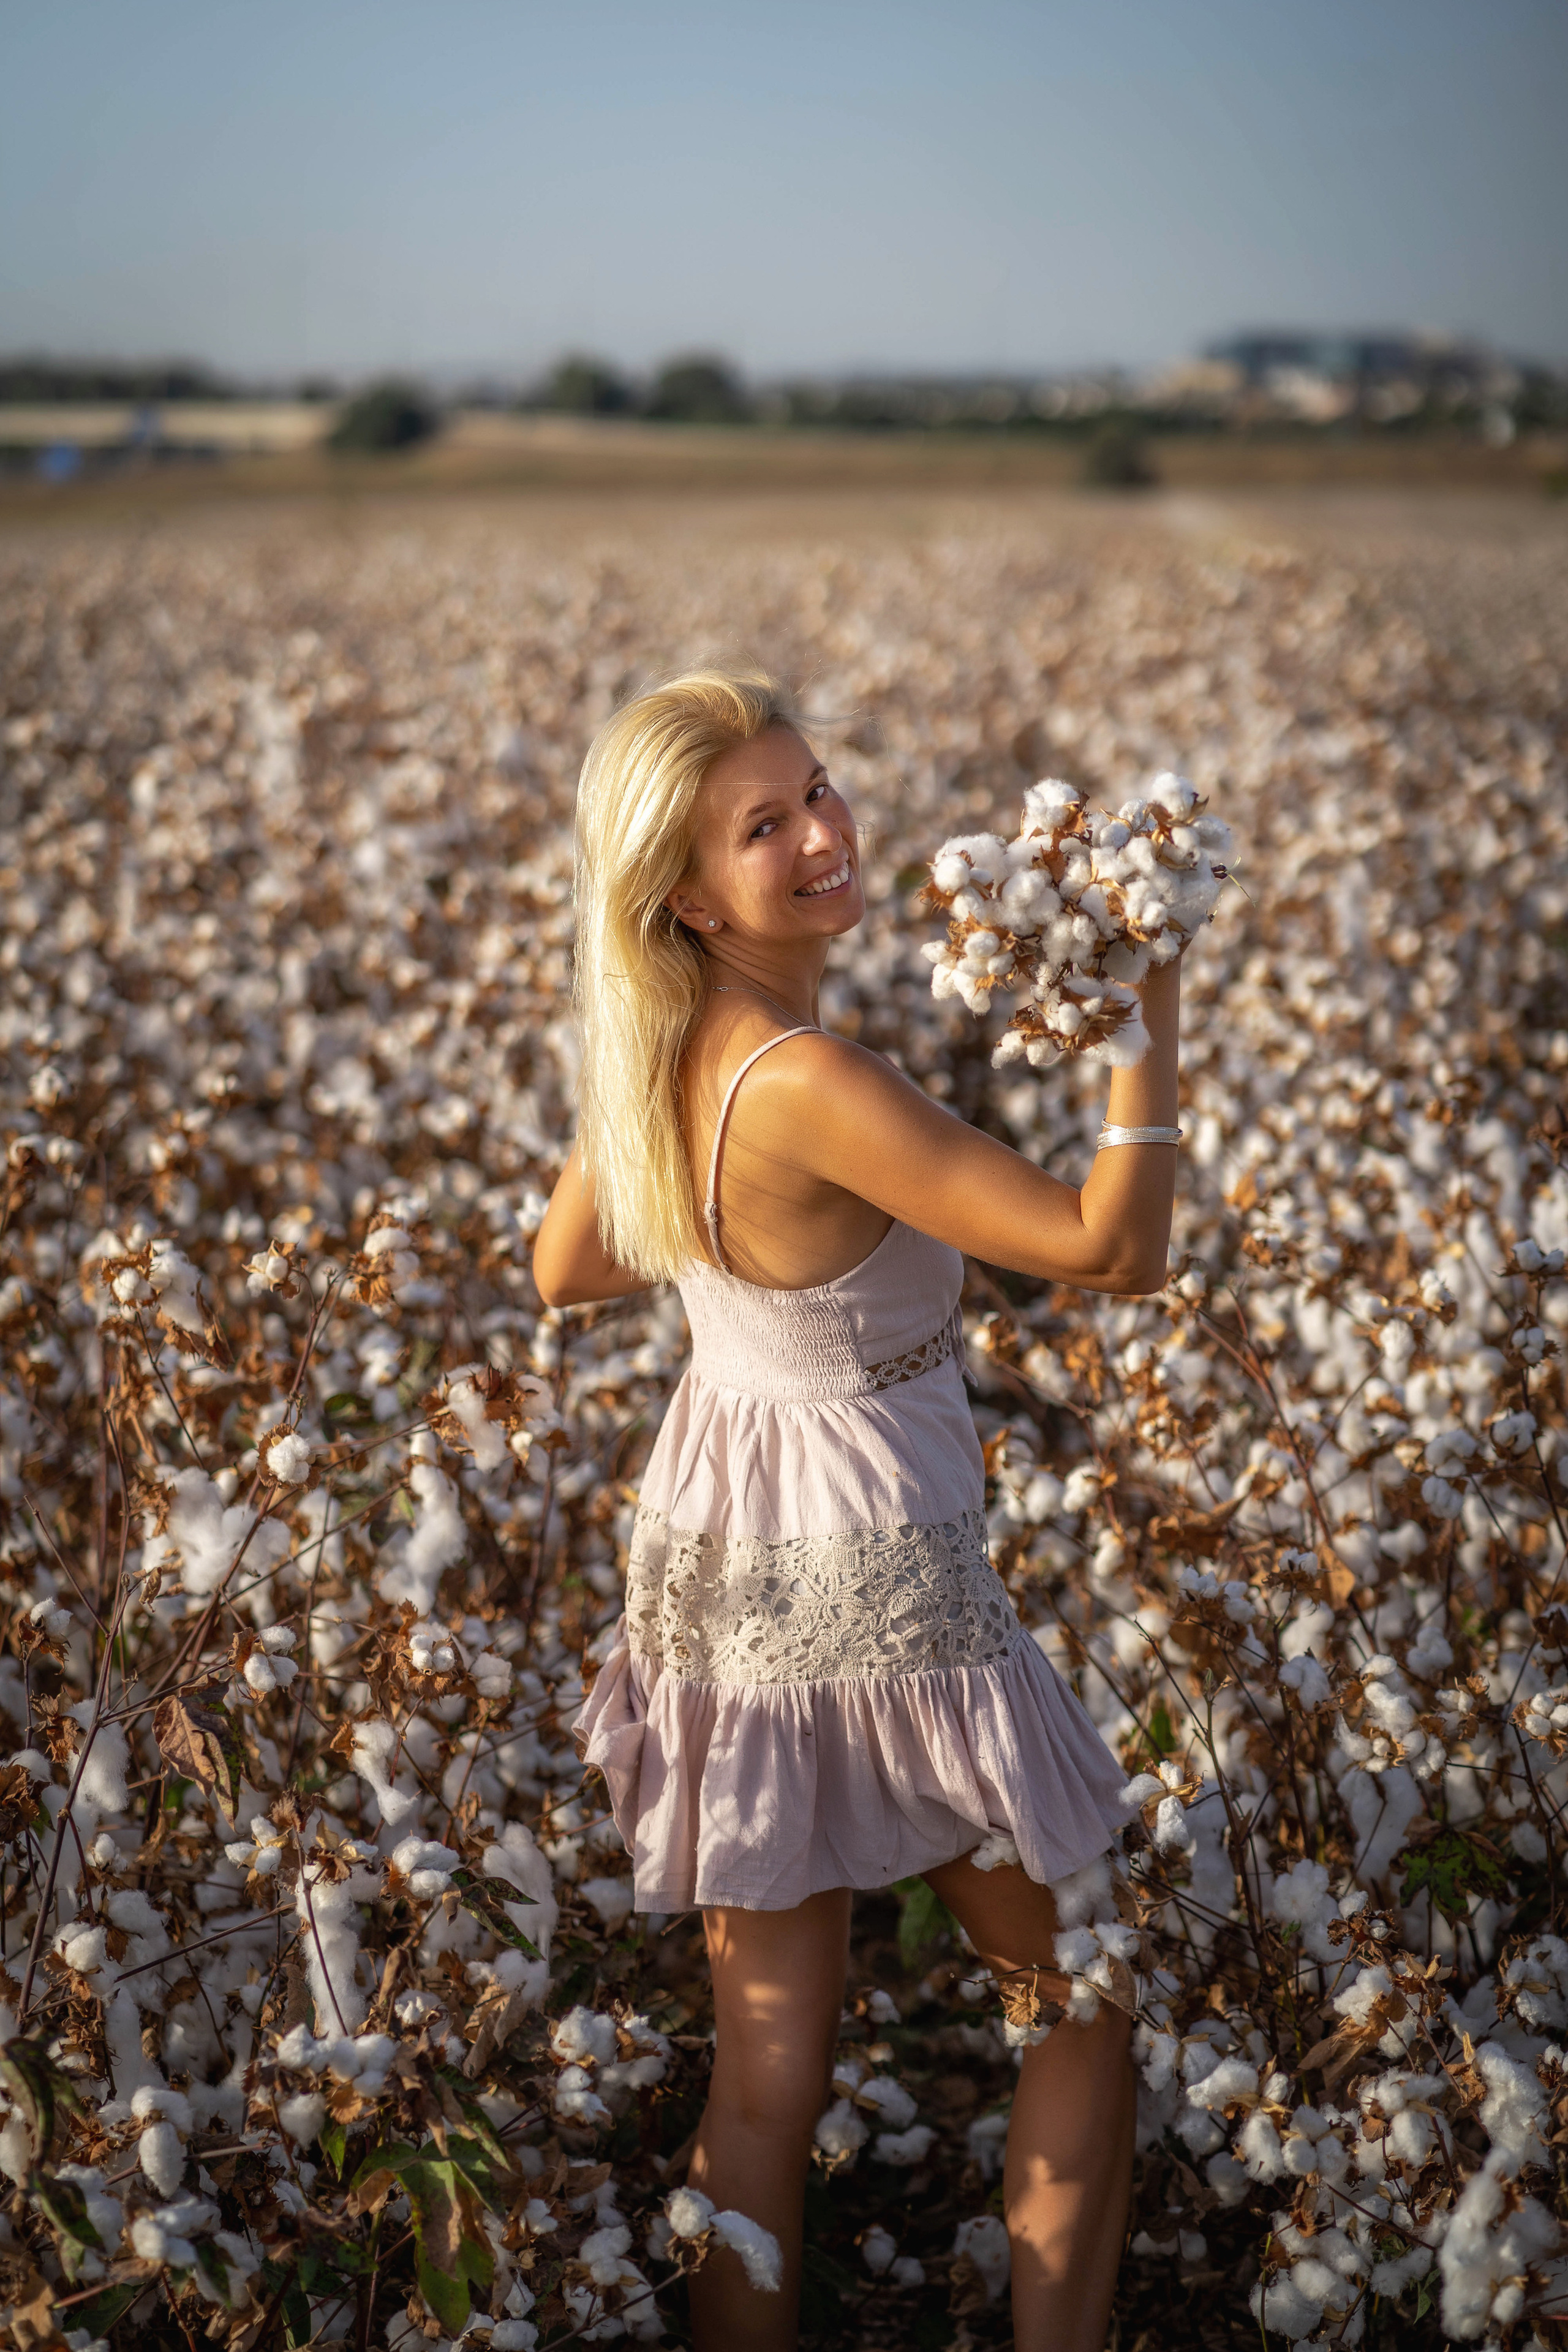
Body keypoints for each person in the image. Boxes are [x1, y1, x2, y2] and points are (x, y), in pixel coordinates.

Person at [533, 666, 1184, 2352]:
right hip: (869, 1570)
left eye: (815, 788)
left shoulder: (663, 1041)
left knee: (767, 2068)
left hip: (716, 1557)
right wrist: (1145, 1020)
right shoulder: (807, 1077)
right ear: (685, 891)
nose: (824, 832)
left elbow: (564, 1263)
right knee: (1083, 1991)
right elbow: (1113, 1246)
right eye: (766, 825)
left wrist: (709, 1222)